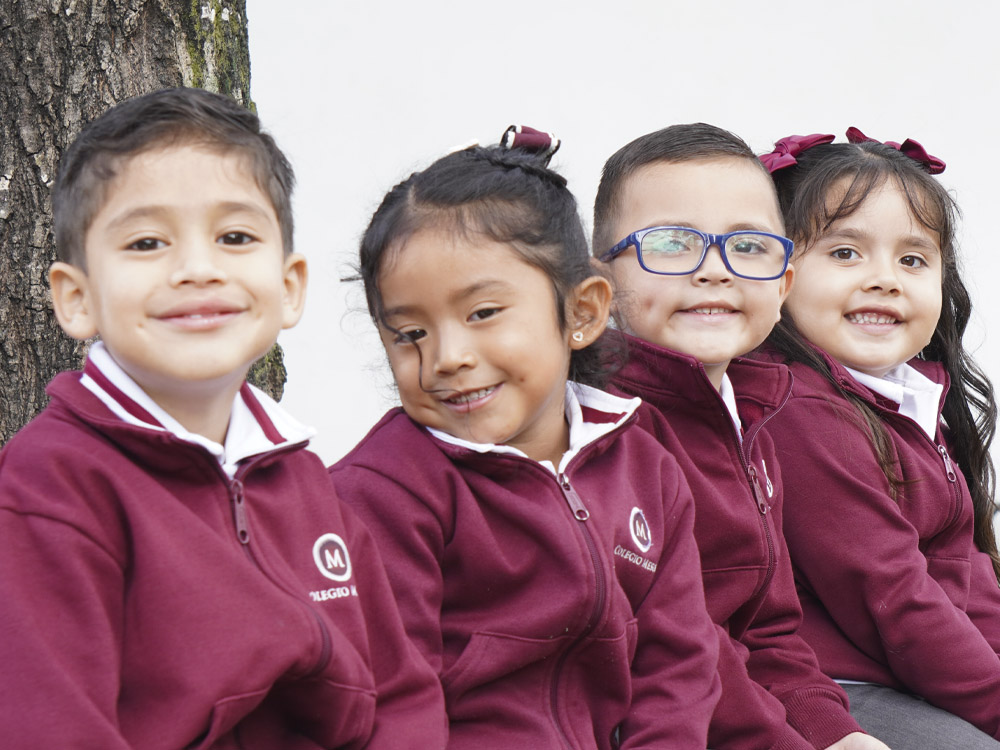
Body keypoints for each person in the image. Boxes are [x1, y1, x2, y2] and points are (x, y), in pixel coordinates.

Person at [0, 87, 446, 749]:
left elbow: (401, 696)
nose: (197, 269)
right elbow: (53, 727)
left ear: (289, 287)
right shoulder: (52, 486)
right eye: (147, 242)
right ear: (77, 299)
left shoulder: (304, 479)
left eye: (235, 237)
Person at [329, 126, 721, 749]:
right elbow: (390, 703)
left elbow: (679, 665)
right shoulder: (381, 494)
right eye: (409, 334)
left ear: (583, 312)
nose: (446, 358)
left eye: (482, 313)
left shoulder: (644, 463)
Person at [594, 123, 885, 750]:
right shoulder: (604, 435)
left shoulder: (754, 419)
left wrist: (835, 735)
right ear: (599, 288)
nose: (713, 271)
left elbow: (770, 631)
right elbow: (677, 641)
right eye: (671, 243)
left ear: (782, 283)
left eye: (748, 246)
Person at [755, 127, 1000, 749]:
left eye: (912, 259)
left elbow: (971, 578)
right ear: (778, 271)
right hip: (841, 690)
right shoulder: (801, 412)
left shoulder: (911, 399)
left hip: (923, 675)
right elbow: (893, 599)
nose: (885, 279)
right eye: (845, 252)